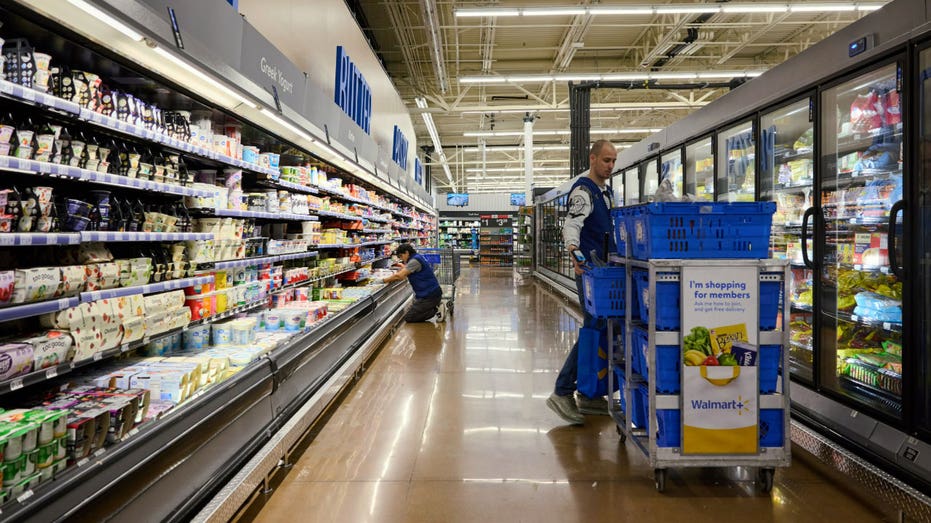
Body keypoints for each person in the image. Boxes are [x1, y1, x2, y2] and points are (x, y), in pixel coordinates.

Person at [546, 139, 617, 425]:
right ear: (592, 159)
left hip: (605, 272)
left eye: (613, 161)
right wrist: (574, 251)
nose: (610, 166)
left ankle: (589, 394)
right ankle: (562, 391)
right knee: (592, 328)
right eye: (606, 160)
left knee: (600, 328)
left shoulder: (606, 192)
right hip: (589, 273)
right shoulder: (583, 191)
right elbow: (572, 225)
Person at [383, 244, 443, 322]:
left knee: (409, 317)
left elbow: (400, 276)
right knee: (414, 311)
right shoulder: (417, 257)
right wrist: (403, 266)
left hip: (429, 296)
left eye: (401, 256)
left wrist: (383, 280)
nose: (401, 258)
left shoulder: (414, 261)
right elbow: (409, 269)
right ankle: (435, 306)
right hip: (432, 293)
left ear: (407, 252)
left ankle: (436, 310)